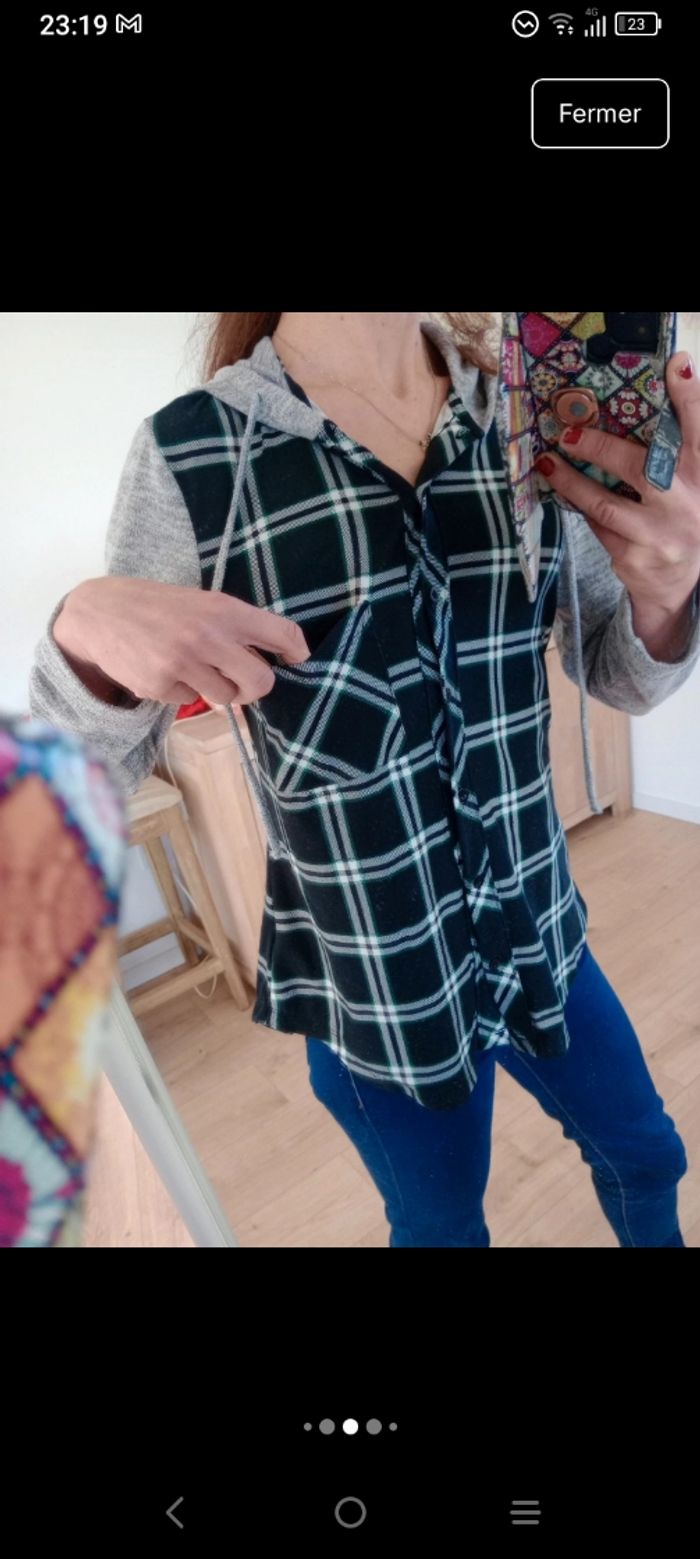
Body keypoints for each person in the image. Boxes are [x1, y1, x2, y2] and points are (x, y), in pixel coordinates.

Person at [28, 312, 700, 1247]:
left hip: (540, 929)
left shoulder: (526, 410)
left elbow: (620, 671)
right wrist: (83, 628)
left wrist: (668, 591)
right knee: (440, 1228)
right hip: (380, 981)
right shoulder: (192, 455)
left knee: (648, 1155)